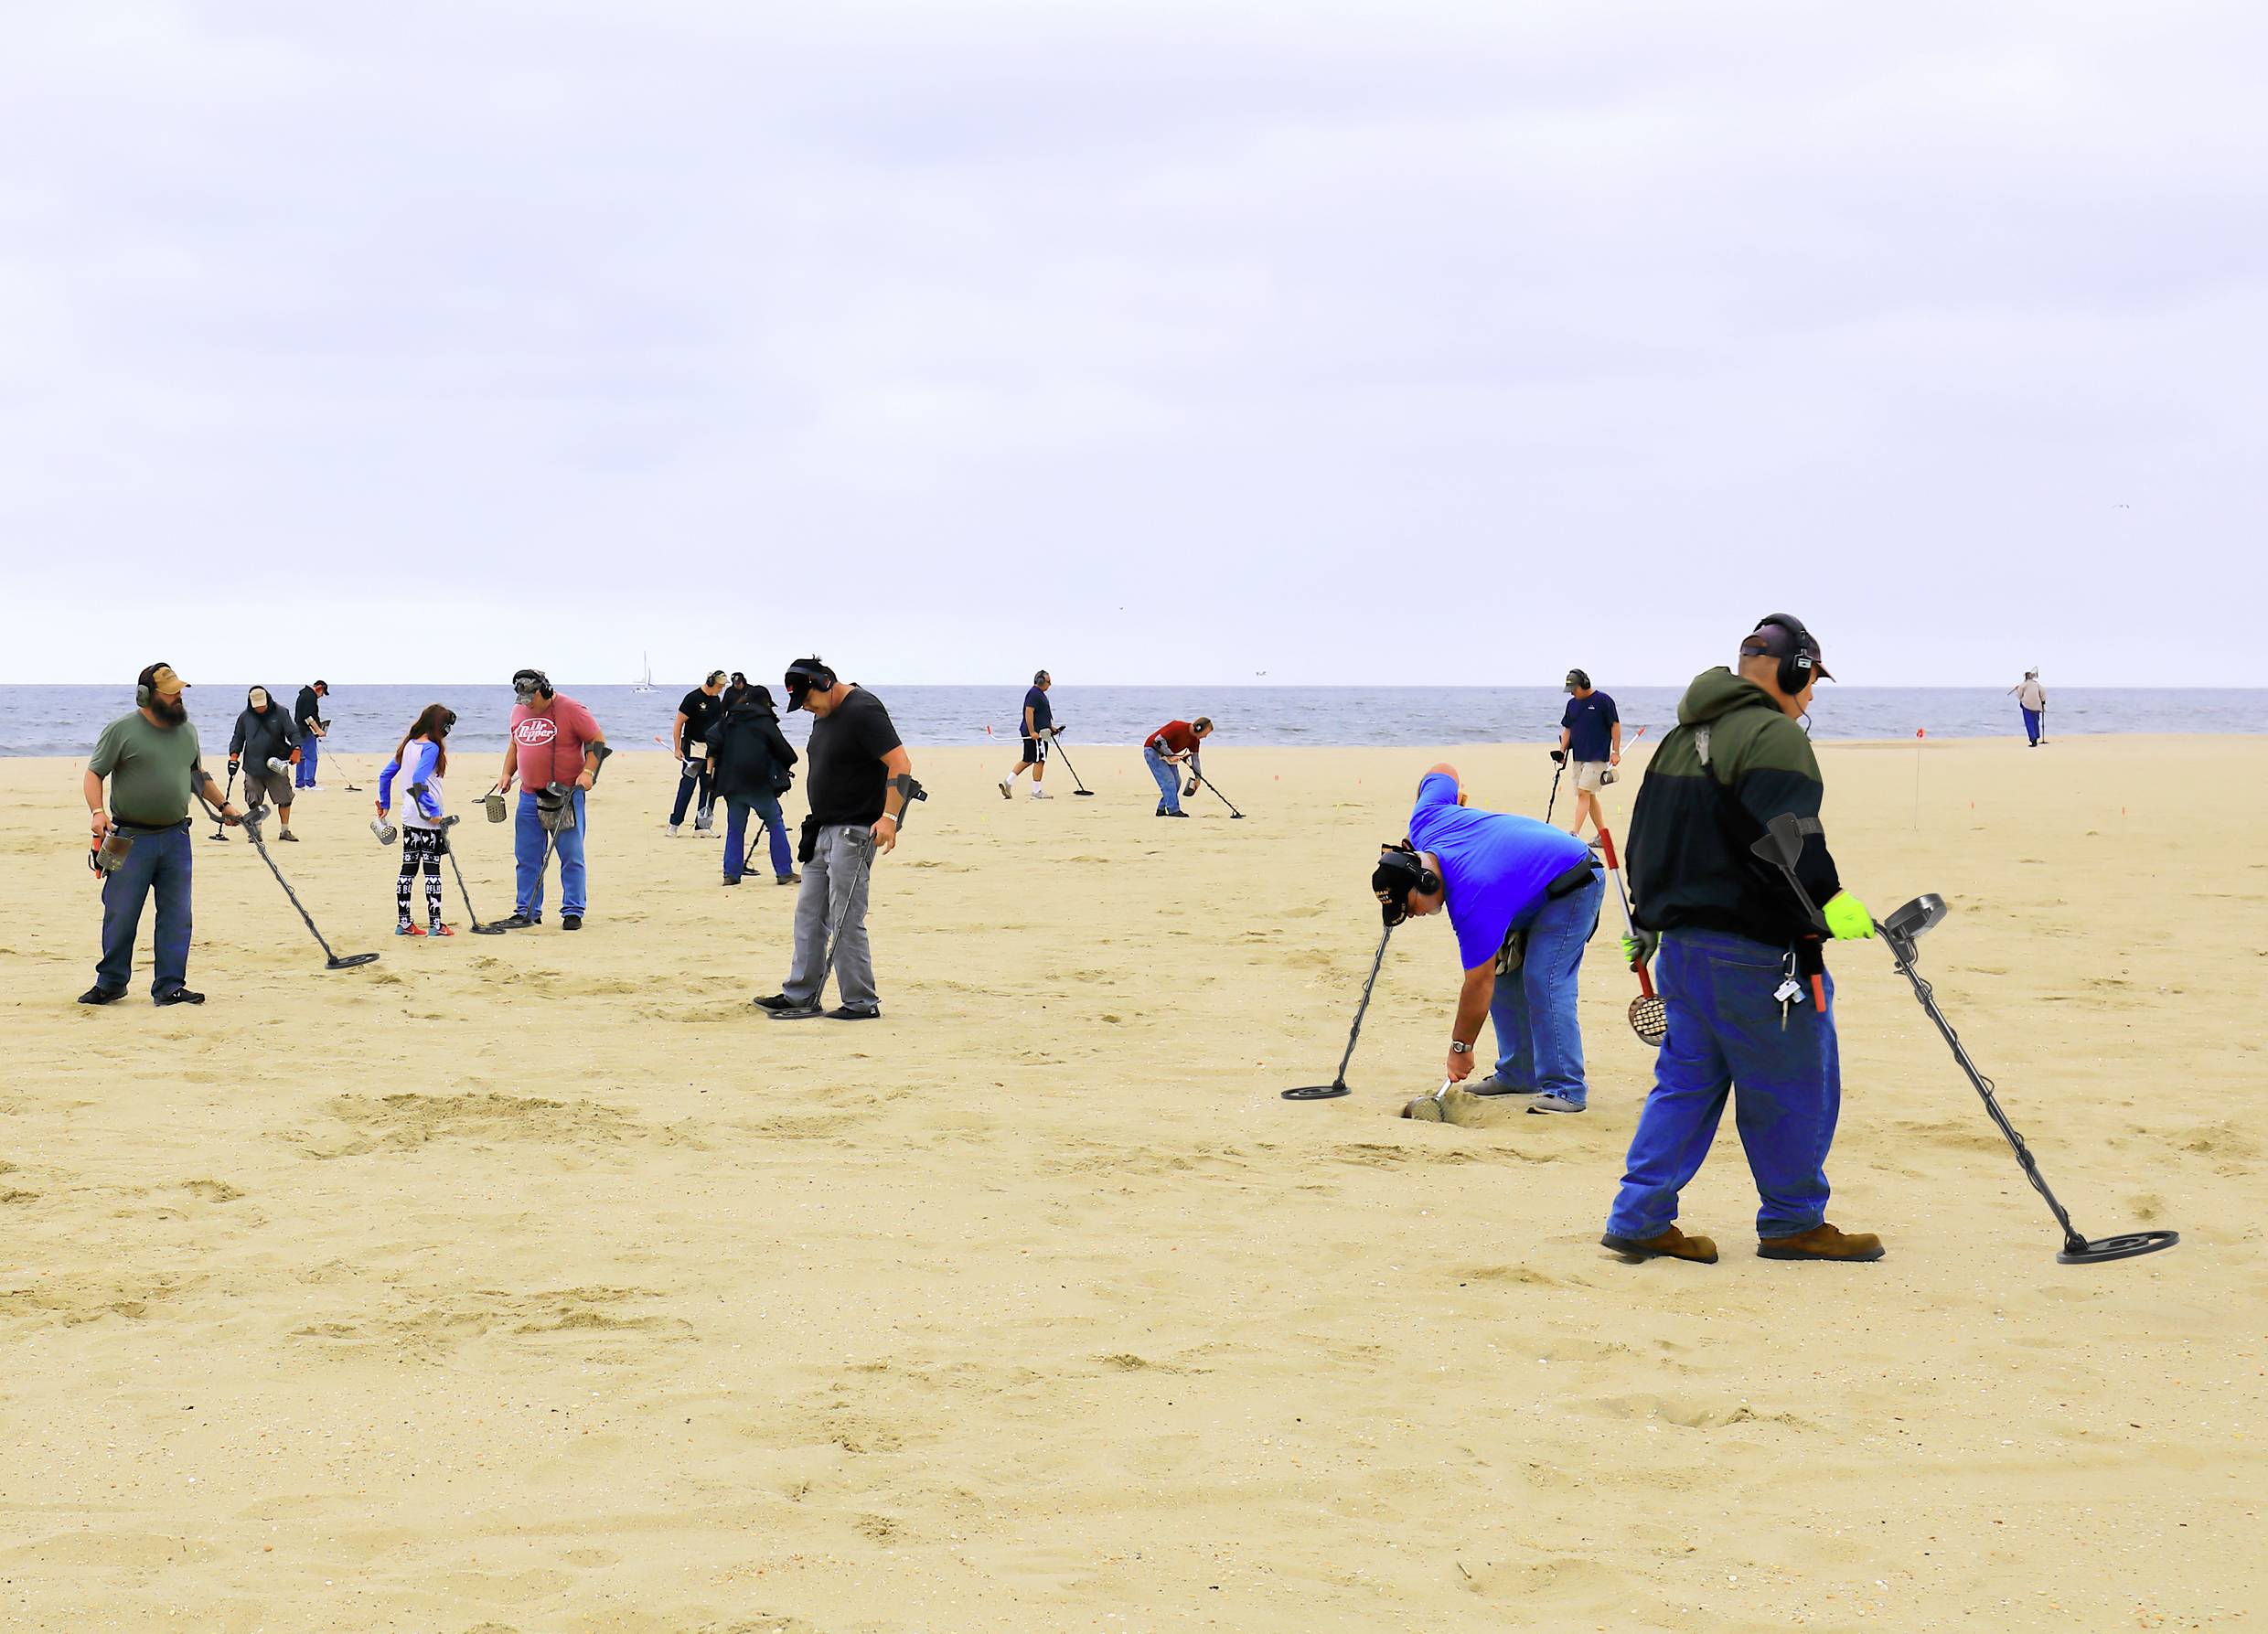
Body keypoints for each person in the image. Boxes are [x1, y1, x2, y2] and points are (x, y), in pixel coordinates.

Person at [1601, 614, 1882, 1266]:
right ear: (1790, 670)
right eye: (1811, 680)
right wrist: (1830, 901)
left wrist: (1646, 923)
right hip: (1757, 953)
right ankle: (1792, 1222)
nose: (1811, 695)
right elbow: (1790, 838)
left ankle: (1639, 1217)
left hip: (1682, 953)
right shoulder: (1774, 737)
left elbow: (1646, 839)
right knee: (1793, 1087)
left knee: (1684, 1085)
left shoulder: (1680, 738)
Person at [1373, 764, 1602, 1113]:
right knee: (1504, 973)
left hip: (1574, 882)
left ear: (1425, 882)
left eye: (1412, 907)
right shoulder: (1425, 819)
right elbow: (1441, 771)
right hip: (1524, 891)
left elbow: (1476, 986)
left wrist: (1460, 1049)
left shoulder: (1472, 898)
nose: (1416, 916)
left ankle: (1567, 1089)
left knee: (1544, 979)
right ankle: (1519, 1072)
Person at [754, 657, 916, 1020]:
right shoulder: (823, 714)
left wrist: (889, 818)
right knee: (809, 916)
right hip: (822, 828)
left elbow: (901, 763)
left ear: (825, 683)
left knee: (845, 917)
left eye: (808, 699)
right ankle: (800, 995)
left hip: (855, 830)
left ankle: (861, 1002)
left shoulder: (863, 709)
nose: (807, 707)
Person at [80, 663, 245, 1006]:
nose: (178, 697)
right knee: (120, 912)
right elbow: (94, 774)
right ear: (146, 696)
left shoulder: (187, 732)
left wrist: (225, 806)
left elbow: (197, 776)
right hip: (128, 838)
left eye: (179, 692)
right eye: (171, 693)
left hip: (175, 839)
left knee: (176, 915)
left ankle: (170, 987)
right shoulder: (121, 730)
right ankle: (111, 982)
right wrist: (97, 813)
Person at [496, 668, 608, 931]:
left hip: (565, 794)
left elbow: (597, 742)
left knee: (571, 855)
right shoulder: (518, 711)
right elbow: (515, 744)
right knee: (527, 857)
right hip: (528, 795)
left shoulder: (572, 709)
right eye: (522, 700)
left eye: (531, 699)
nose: (527, 705)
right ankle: (527, 911)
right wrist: (506, 774)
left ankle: (572, 911)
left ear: (544, 690)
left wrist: (588, 772)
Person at [377, 704, 459, 937]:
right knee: (432, 870)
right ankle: (436, 924)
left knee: (408, 868)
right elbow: (418, 781)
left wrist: (385, 804)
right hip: (428, 819)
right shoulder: (431, 748)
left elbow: (385, 775)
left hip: (409, 816)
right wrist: (434, 811)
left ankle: (404, 923)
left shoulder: (408, 745)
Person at [709, 684, 800, 886]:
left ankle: (731, 874)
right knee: (775, 823)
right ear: (765, 703)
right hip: (759, 783)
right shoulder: (764, 721)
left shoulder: (729, 719)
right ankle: (784, 872)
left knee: (735, 829)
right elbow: (787, 753)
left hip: (731, 783)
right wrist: (782, 765)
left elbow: (711, 738)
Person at [228, 685, 303, 841]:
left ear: (268, 699)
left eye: (263, 706)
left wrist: (297, 749)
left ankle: (285, 831)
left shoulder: (281, 713)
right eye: (257, 707)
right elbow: (238, 738)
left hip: (276, 763)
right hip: (253, 765)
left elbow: (293, 732)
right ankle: (256, 832)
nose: (260, 709)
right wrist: (234, 756)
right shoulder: (244, 717)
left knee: (285, 798)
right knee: (253, 800)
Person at [1556, 668, 1621, 841]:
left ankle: (1574, 834)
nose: (1572, 694)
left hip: (1598, 756)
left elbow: (1615, 725)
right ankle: (1602, 835)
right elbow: (1567, 729)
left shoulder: (1603, 701)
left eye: (1574, 690)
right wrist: (1561, 752)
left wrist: (1615, 751)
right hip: (1579, 755)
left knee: (1584, 792)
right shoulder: (1572, 704)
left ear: (1584, 684)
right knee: (1588, 794)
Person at [669, 670, 729, 835]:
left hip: (710, 751)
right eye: (720, 686)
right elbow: (678, 724)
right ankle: (674, 824)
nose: (721, 689)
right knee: (687, 786)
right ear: (711, 682)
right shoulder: (693, 698)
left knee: (708, 787)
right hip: (692, 749)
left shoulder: (717, 701)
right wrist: (677, 748)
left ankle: (702, 826)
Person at [999, 670, 1055, 800]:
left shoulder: (1038, 694)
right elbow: (1029, 712)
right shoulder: (1034, 694)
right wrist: (1032, 732)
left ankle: (1008, 782)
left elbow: (1042, 714)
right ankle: (1036, 791)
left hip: (1042, 731)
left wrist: (1051, 727)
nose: (1050, 684)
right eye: (1048, 682)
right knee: (1040, 760)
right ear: (1040, 681)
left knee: (1028, 759)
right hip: (1037, 734)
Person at [1142, 716, 1213, 817]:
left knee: (1176, 782)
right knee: (1169, 781)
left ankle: (1161, 809)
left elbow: (1195, 759)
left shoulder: (1195, 740)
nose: (1205, 737)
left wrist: (1198, 778)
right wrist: (1171, 755)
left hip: (1168, 755)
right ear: (1199, 728)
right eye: (1205, 733)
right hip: (1152, 750)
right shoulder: (1178, 726)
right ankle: (1173, 810)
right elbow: (1158, 741)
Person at [293, 681, 328, 791]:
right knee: (311, 757)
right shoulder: (310, 697)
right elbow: (308, 716)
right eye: (322, 693)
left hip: (300, 729)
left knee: (302, 757)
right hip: (306, 731)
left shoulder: (304, 695)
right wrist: (318, 730)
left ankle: (300, 784)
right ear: (319, 688)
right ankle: (310, 783)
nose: (321, 696)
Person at [2011, 669, 2048, 747]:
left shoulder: (2023, 685)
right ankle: (2036, 737)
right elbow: (2043, 692)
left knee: (2029, 723)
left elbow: (2019, 695)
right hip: (2037, 706)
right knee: (2035, 722)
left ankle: (2033, 740)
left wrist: (2018, 689)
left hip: (2026, 706)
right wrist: (2043, 701)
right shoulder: (2037, 684)